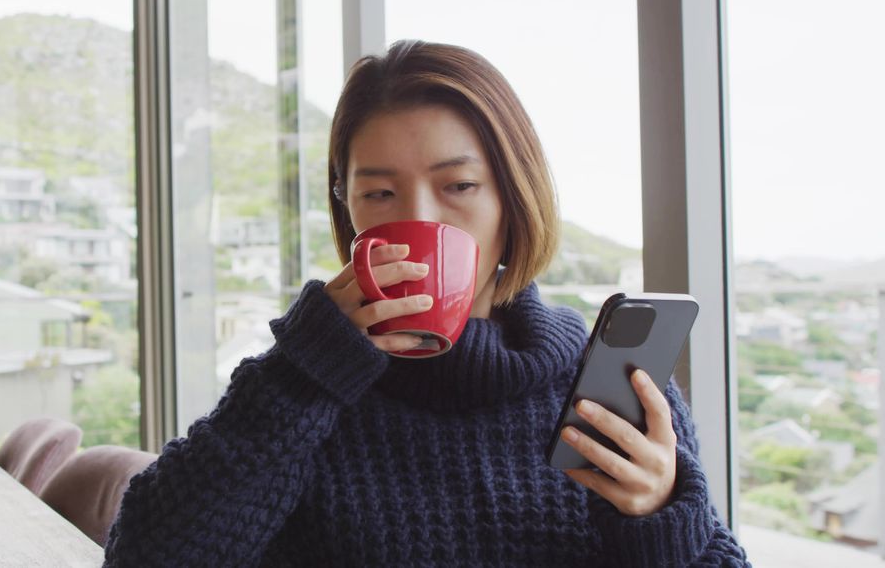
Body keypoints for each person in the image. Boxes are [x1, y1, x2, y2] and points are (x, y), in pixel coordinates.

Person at [104, 40, 750, 567]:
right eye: (379, 194)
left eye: (458, 185)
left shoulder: (606, 383)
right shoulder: (304, 389)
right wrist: (305, 368)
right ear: (347, 208)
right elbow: (143, 556)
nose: (419, 218)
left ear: (512, 198)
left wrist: (661, 515)